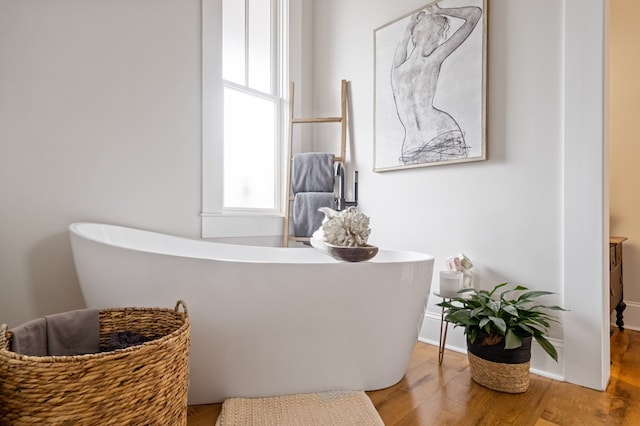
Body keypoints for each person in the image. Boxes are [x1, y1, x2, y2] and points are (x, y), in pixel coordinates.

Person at [391, 1, 482, 165]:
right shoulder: (432, 60)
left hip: (411, 145)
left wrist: (411, 23)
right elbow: (474, 15)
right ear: (435, 36)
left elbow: (404, 37)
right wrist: (440, 10)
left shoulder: (397, 70)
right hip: (442, 134)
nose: (443, 38)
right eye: (443, 33)